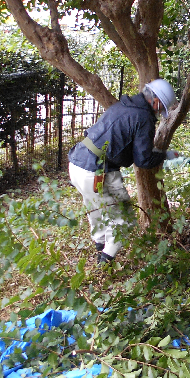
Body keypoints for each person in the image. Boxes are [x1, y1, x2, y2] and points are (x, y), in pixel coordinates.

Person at [68, 78, 178, 264]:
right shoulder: (144, 117)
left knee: (96, 210)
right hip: (96, 172)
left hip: (77, 163)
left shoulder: (123, 105)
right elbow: (144, 160)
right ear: (156, 101)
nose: (160, 113)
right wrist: (164, 155)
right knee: (124, 221)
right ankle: (104, 264)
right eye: (161, 109)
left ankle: (100, 249)